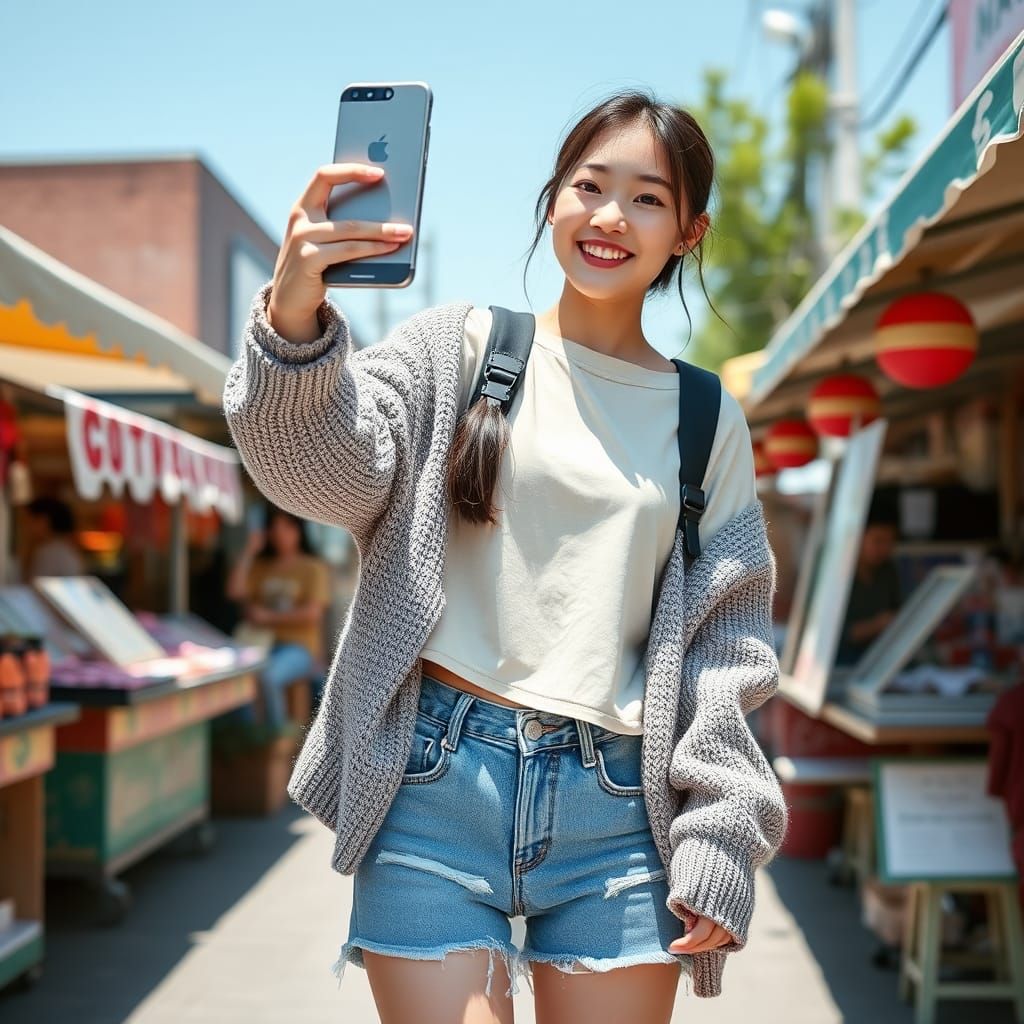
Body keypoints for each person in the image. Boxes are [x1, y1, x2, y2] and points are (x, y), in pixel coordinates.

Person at [224, 89, 788, 1023]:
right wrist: (293, 319)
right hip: (436, 782)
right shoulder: (465, 348)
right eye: (588, 185)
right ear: (552, 200)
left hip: (617, 811)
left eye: (647, 198)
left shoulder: (705, 416)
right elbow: (321, 475)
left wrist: (722, 831)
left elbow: (727, 649)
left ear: (690, 230)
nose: (610, 217)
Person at [226, 506, 330, 727]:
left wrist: (267, 617)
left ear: (298, 530)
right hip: (259, 645)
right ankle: (250, 735)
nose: (279, 534)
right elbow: (234, 591)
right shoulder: (262, 566)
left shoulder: (312, 568)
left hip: (299, 648)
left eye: (286, 527)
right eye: (273, 528)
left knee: (267, 676)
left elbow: (313, 613)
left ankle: (275, 737)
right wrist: (249, 551)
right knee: (239, 679)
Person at [836, 514, 903, 667]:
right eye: (878, 541)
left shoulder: (888, 571)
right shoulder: (836, 575)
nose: (885, 548)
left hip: (881, 659)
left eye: (890, 542)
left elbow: (897, 610)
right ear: (858, 539)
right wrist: (876, 625)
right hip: (842, 663)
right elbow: (835, 635)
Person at [25, 496, 85, 579]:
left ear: (44, 521)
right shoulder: (66, 549)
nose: (28, 526)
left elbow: (38, 586)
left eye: (32, 521)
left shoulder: (49, 552)